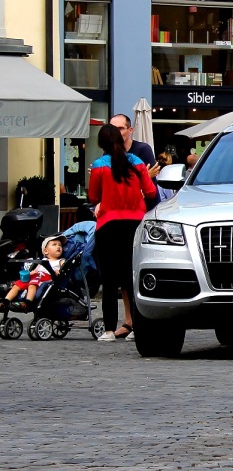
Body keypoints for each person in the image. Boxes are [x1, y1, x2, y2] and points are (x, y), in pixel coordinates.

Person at [89, 123, 157, 341]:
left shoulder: (99, 165)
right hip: (135, 223)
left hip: (108, 223)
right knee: (132, 276)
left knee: (108, 279)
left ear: (101, 143)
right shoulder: (137, 163)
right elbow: (151, 191)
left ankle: (109, 329)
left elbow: (93, 196)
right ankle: (137, 325)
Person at [1, 235, 64, 312]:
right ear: (45, 251)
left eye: (60, 245)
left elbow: (63, 269)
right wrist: (30, 273)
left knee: (32, 285)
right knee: (17, 284)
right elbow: (36, 270)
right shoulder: (43, 260)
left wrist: (59, 271)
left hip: (46, 278)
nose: (58, 247)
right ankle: (5, 302)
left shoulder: (60, 261)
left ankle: (27, 303)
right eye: (54, 244)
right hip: (36, 276)